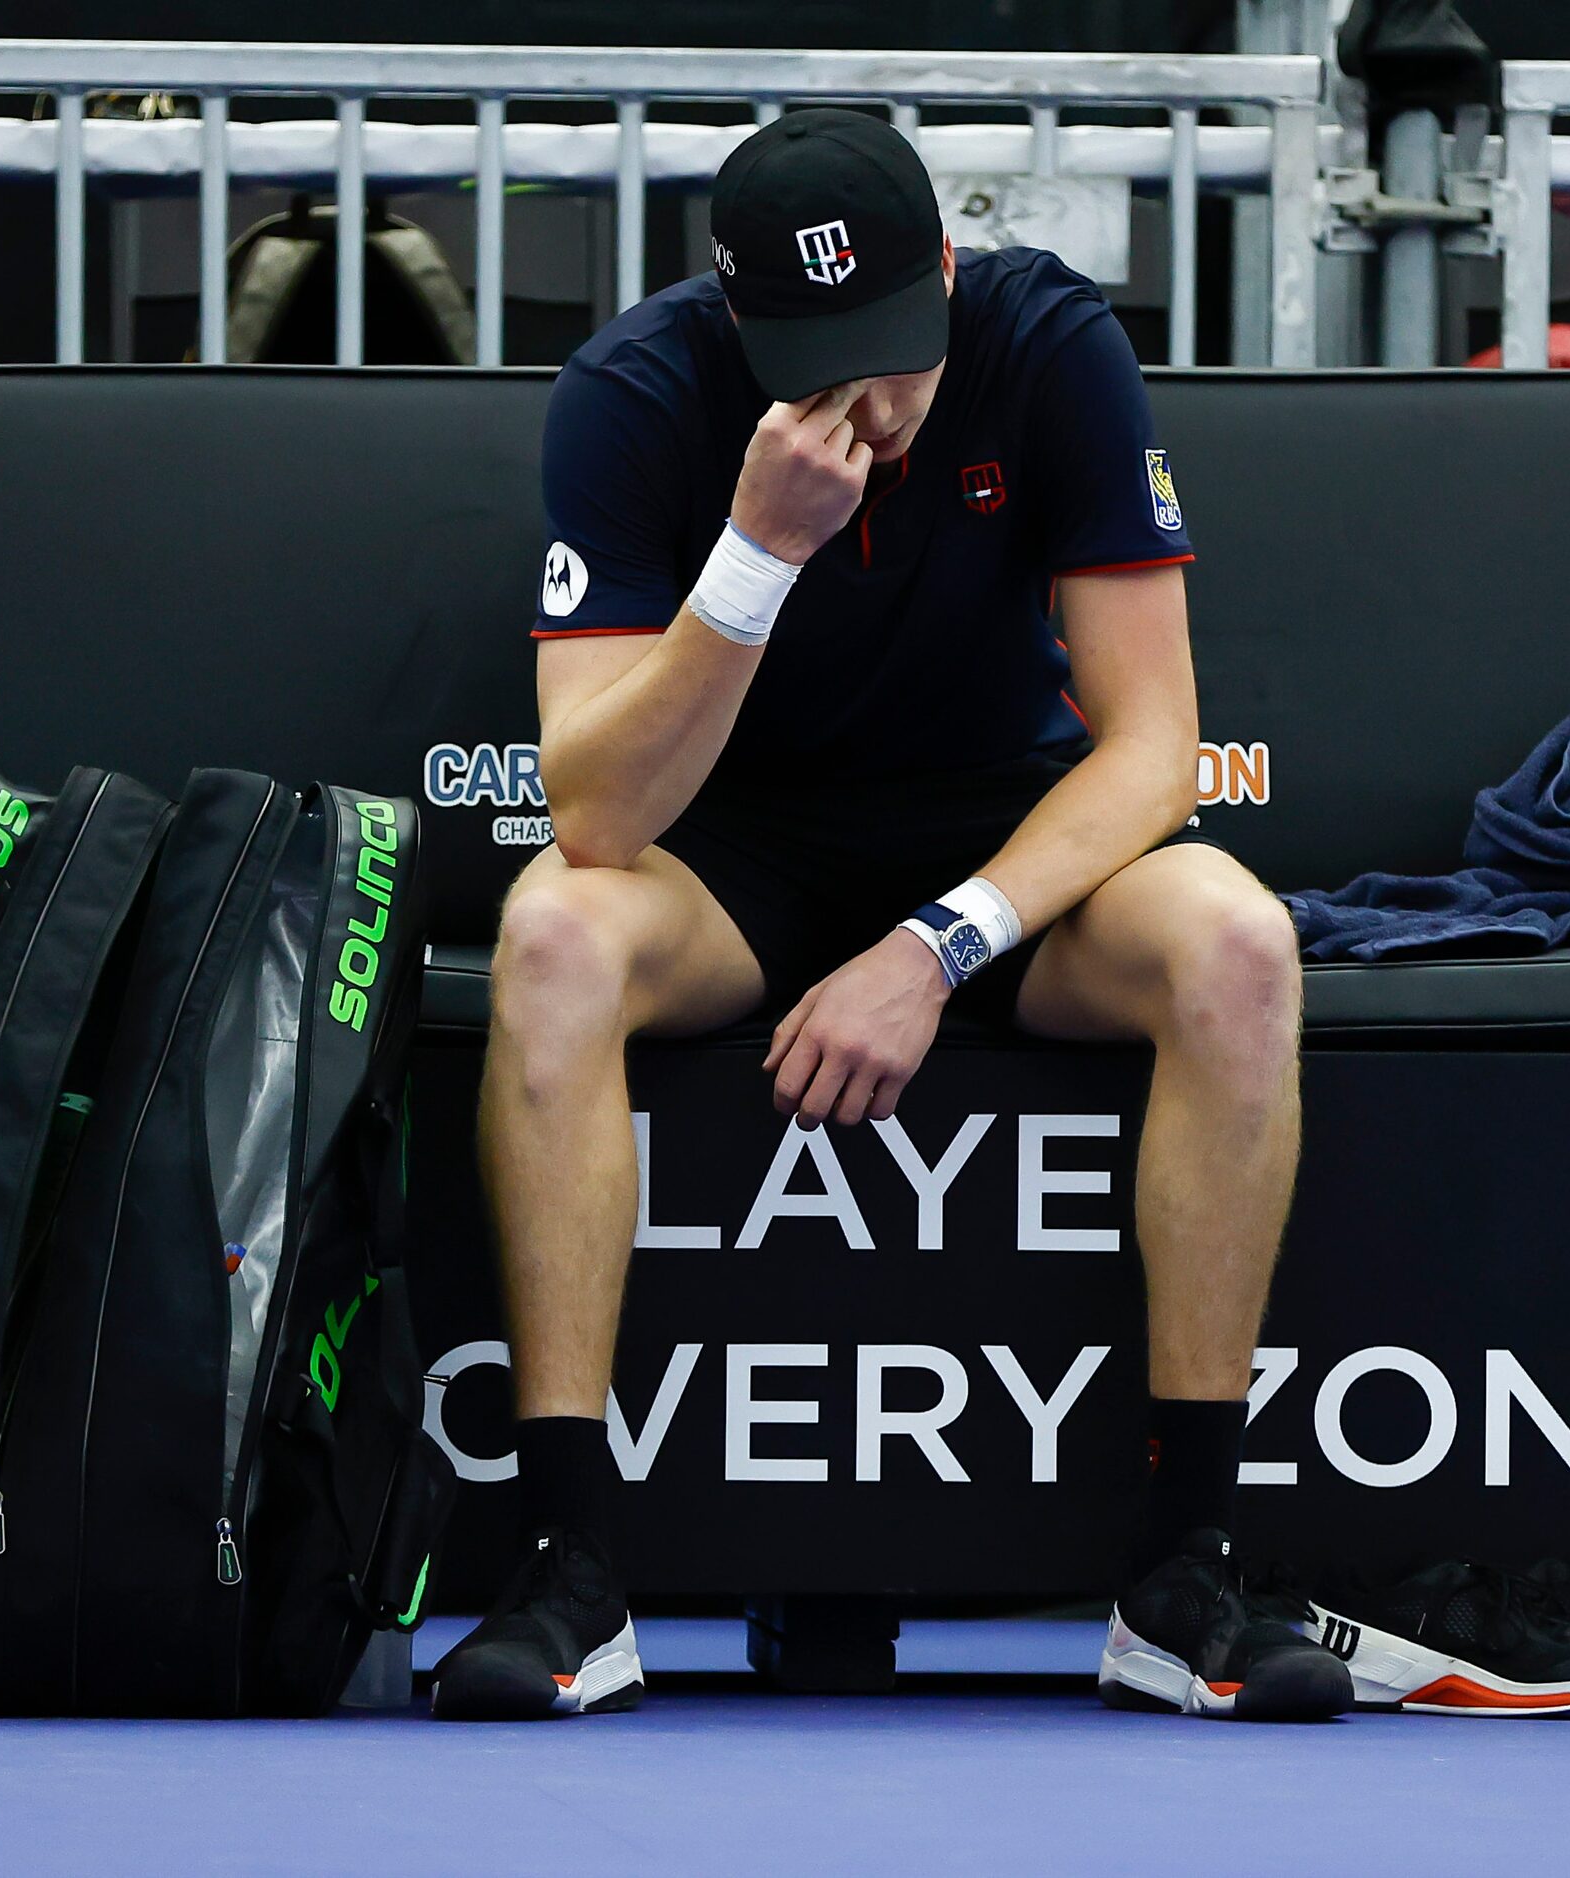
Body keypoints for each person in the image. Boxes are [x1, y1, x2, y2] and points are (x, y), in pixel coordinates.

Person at [427, 110, 1348, 1723]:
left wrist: (939, 944)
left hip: (1009, 848)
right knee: (554, 934)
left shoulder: (1050, 344)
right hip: (732, 860)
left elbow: (1153, 746)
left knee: (1239, 944)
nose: (867, 397)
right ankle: (570, 1567)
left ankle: (1184, 1572)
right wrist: (753, 559)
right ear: (737, 320)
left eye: (895, 348)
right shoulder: (637, 393)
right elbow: (595, 815)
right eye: (815, 355)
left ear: (946, 270)